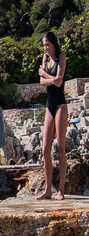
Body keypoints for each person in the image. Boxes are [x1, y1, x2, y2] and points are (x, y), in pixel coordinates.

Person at [39, 32, 69, 200]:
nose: (45, 48)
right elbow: (44, 82)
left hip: (61, 106)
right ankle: (48, 190)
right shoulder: (45, 58)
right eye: (44, 45)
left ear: (53, 44)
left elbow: (59, 81)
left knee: (60, 149)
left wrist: (44, 75)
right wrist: (49, 79)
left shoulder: (61, 57)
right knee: (45, 150)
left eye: (47, 45)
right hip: (49, 106)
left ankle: (61, 190)